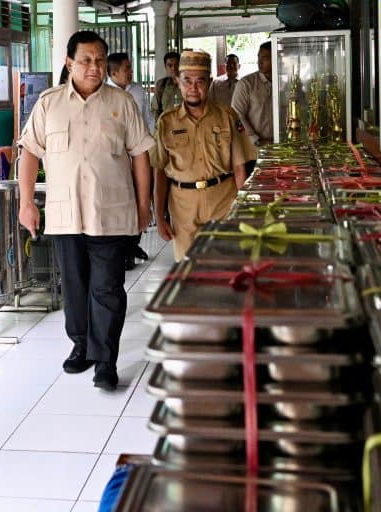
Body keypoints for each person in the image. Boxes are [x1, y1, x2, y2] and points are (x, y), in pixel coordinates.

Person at [18, 31, 154, 390]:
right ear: (69, 63)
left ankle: (105, 361)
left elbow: (141, 155)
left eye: (99, 60)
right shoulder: (48, 104)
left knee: (107, 288)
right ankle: (81, 346)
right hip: (65, 216)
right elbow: (29, 152)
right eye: (86, 60)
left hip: (111, 214)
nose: (94, 67)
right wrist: (26, 202)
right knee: (75, 287)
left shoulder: (122, 103)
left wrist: (144, 205)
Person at [150, 50, 252, 261]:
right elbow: (159, 171)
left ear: (210, 82)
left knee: (225, 266)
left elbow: (239, 167)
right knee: (188, 270)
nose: (193, 88)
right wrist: (159, 216)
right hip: (183, 206)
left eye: (200, 81)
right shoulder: (166, 122)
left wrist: (245, 209)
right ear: (178, 82)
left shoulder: (227, 116)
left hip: (223, 200)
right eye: (187, 81)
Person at [107, 52, 155, 269]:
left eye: (130, 67)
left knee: (141, 195)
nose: (130, 72)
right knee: (124, 200)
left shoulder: (137, 90)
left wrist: (150, 143)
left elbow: (147, 118)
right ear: (113, 73)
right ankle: (124, 249)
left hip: (140, 153)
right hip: (118, 158)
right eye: (126, 68)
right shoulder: (104, 94)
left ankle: (133, 244)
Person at [232, 41, 273, 173]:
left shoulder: (284, 82)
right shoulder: (246, 84)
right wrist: (256, 139)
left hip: (280, 148)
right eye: (258, 57)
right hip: (253, 152)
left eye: (265, 58)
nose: (259, 62)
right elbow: (237, 114)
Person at [151, 51, 183, 121]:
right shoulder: (161, 84)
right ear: (165, 67)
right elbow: (155, 109)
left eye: (177, 64)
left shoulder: (188, 85)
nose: (173, 68)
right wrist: (160, 124)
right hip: (166, 125)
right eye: (170, 65)